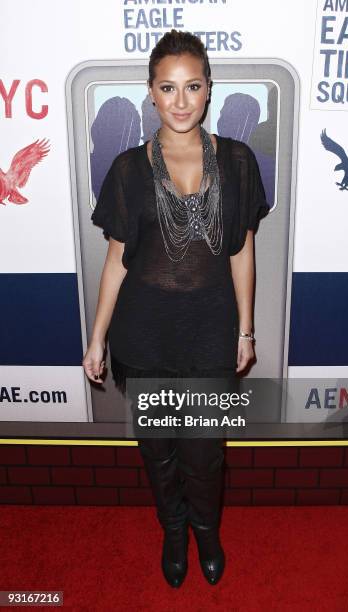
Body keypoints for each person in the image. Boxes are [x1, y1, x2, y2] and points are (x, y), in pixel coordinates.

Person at [83, 29, 269, 588]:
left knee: (205, 451)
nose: (181, 101)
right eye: (168, 88)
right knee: (158, 450)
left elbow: (241, 252)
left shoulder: (238, 162)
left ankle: (206, 531)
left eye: (192, 86)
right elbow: (117, 262)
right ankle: (173, 528)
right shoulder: (126, 169)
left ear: (209, 89)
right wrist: (97, 339)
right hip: (145, 337)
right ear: (151, 93)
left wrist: (246, 330)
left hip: (210, 334)